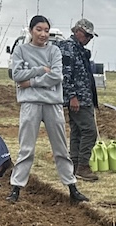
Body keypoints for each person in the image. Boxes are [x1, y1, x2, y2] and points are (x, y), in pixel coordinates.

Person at [7, 16, 87, 204]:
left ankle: (72, 187)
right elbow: (16, 75)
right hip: (30, 104)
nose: (43, 34)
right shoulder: (21, 50)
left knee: (61, 148)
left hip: (52, 104)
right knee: (26, 148)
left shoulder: (54, 51)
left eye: (46, 30)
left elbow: (57, 76)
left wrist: (31, 82)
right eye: (39, 29)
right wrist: (42, 69)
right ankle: (16, 188)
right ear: (31, 31)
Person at [60, 18, 99, 183]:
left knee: (77, 131)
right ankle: (83, 166)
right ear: (77, 32)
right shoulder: (68, 47)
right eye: (87, 35)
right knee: (90, 131)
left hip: (84, 97)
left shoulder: (80, 49)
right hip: (78, 98)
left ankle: (75, 165)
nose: (89, 39)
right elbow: (65, 74)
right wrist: (72, 97)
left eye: (91, 36)